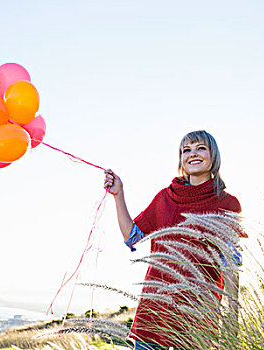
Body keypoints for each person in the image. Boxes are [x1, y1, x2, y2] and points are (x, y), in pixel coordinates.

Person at [104, 130, 244, 350]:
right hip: (155, 313)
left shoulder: (227, 204)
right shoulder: (165, 198)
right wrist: (119, 194)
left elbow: (231, 264)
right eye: (186, 150)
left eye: (200, 148)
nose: (192, 154)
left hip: (197, 319)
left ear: (213, 155)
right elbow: (131, 236)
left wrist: (233, 317)